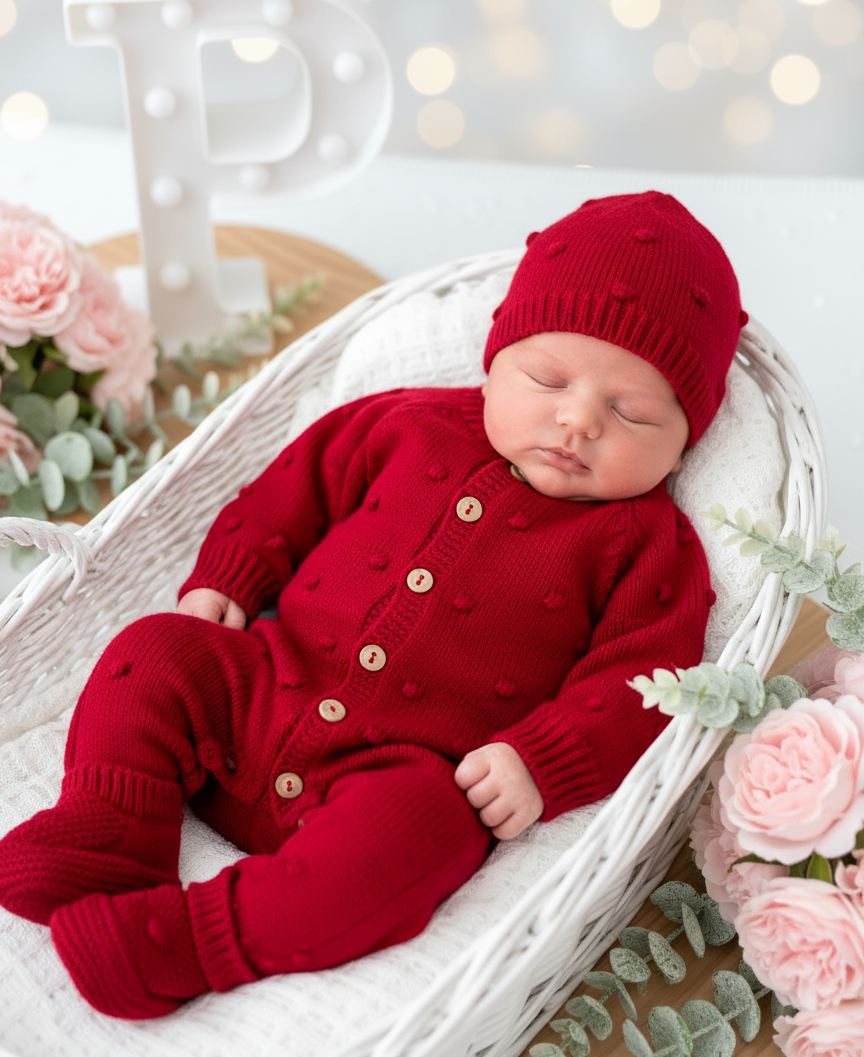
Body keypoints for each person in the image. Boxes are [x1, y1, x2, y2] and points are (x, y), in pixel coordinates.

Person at [0, 191, 746, 1019]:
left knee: (424, 834)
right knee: (157, 650)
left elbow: (645, 680)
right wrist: (230, 576)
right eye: (547, 379)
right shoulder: (407, 424)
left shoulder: (648, 545)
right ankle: (112, 831)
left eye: (631, 413)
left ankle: (186, 941)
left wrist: (541, 761)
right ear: (494, 361)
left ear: (684, 444)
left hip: (395, 771)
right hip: (262, 690)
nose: (577, 421)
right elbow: (293, 487)